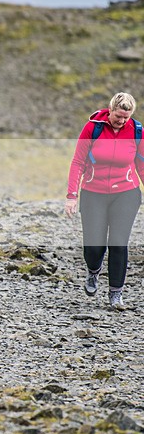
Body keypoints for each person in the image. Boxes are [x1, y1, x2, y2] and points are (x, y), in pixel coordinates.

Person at [66, 92, 144, 311]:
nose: (121, 121)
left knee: (118, 242)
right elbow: (77, 162)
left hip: (126, 193)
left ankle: (116, 293)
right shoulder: (93, 128)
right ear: (110, 111)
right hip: (94, 192)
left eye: (125, 118)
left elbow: (142, 165)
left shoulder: (137, 132)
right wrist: (72, 196)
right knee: (94, 244)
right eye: (118, 116)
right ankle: (93, 271)